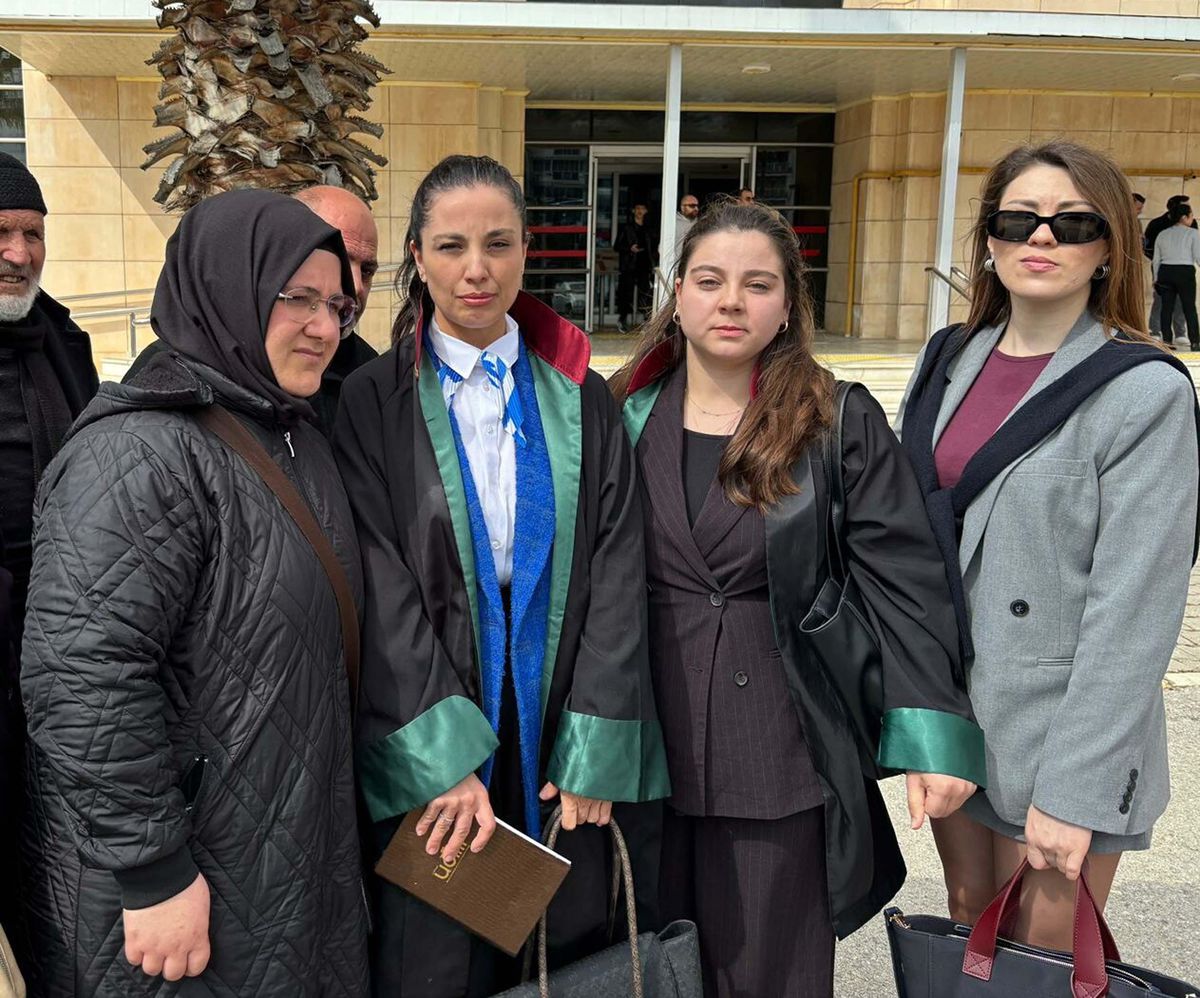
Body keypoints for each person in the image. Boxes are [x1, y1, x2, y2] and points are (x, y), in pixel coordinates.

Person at [610, 198, 982, 997]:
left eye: (758, 284)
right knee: (645, 973)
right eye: (709, 280)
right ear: (678, 294)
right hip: (644, 746)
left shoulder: (834, 419)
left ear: (787, 306)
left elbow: (905, 581)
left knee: (771, 976)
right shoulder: (621, 412)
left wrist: (933, 735)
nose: (731, 301)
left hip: (778, 748)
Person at [332, 154, 669, 998]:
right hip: (439, 713)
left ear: (525, 251)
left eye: (498, 244)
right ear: (417, 257)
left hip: (557, 720)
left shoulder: (580, 398)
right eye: (451, 247)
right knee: (438, 947)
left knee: (565, 951)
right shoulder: (372, 401)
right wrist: (439, 756)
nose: (476, 269)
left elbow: (618, 562)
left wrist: (594, 742)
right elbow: (377, 578)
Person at [19, 189, 369, 996]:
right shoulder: (137, 453)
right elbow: (80, 676)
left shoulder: (292, 432)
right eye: (299, 298)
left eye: (338, 306)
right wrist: (153, 870)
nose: (324, 327)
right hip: (188, 880)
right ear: (227, 287)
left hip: (278, 859)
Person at [897, 141, 1199, 954]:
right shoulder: (946, 357)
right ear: (989, 240)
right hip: (958, 711)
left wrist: (1077, 790)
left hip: (1062, 730)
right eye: (1019, 219)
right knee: (968, 924)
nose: (1041, 237)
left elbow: (1135, 610)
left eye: (1073, 223)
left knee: (1039, 954)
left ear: (1109, 249)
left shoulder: (1144, 390)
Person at [0, 152, 98, 966]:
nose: (20, 254)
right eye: (1, 233)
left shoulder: (64, 342)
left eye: (34, 233)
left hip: (57, 645)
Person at [124, 184, 379, 431]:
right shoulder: (154, 409)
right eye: (298, 298)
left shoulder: (367, 373)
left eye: (367, 271)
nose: (355, 285)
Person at [1144, 194, 1192, 346]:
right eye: (1186, 206)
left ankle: (1180, 333)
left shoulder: (1191, 224)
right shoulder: (1157, 224)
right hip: (1162, 266)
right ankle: (1155, 331)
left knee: (1181, 299)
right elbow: (1147, 247)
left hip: (1183, 267)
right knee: (1160, 297)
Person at [1153, 200, 1200, 351]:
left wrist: (1155, 278)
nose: (1192, 219)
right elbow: (1198, 257)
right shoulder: (1193, 233)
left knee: (1166, 308)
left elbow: (1156, 259)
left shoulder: (1162, 234)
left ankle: (1167, 341)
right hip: (1185, 272)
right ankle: (1195, 342)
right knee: (1189, 308)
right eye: (1191, 215)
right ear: (1184, 217)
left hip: (1165, 272)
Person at [616, 201, 655, 331]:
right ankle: (623, 319)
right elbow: (617, 246)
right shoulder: (627, 228)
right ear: (633, 211)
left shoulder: (649, 229)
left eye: (642, 208)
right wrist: (629, 248)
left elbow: (652, 247)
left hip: (644, 265)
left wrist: (652, 263)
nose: (639, 211)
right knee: (626, 294)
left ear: (646, 211)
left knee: (645, 293)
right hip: (629, 266)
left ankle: (646, 321)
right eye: (637, 208)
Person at [672, 192, 700, 268]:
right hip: (676, 266)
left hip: (694, 265)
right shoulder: (673, 223)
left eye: (697, 206)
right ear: (682, 207)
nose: (696, 209)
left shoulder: (700, 223)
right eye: (692, 206)